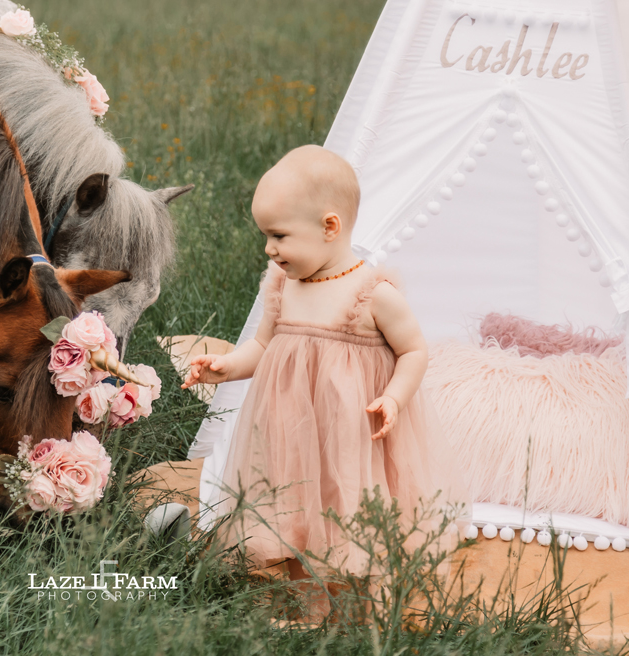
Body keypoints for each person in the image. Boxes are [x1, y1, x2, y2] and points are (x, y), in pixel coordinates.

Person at [183, 144, 462, 580]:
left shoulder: (373, 294)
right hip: (291, 424)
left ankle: (348, 552)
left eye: (279, 236)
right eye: (266, 236)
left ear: (329, 226)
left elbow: (413, 351)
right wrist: (228, 366)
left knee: (344, 485)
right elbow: (263, 345)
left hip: (350, 423)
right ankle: (291, 535)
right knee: (290, 480)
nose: (269, 249)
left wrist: (393, 396)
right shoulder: (282, 285)